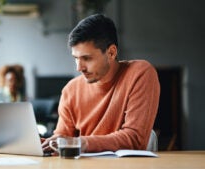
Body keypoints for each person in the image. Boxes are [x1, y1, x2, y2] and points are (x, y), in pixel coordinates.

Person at [42, 14, 160, 154]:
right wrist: (46, 144)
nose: (79, 68)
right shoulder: (71, 90)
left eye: (86, 58)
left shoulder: (140, 73)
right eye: (76, 58)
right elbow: (62, 139)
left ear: (111, 53)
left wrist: (82, 142)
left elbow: (135, 139)